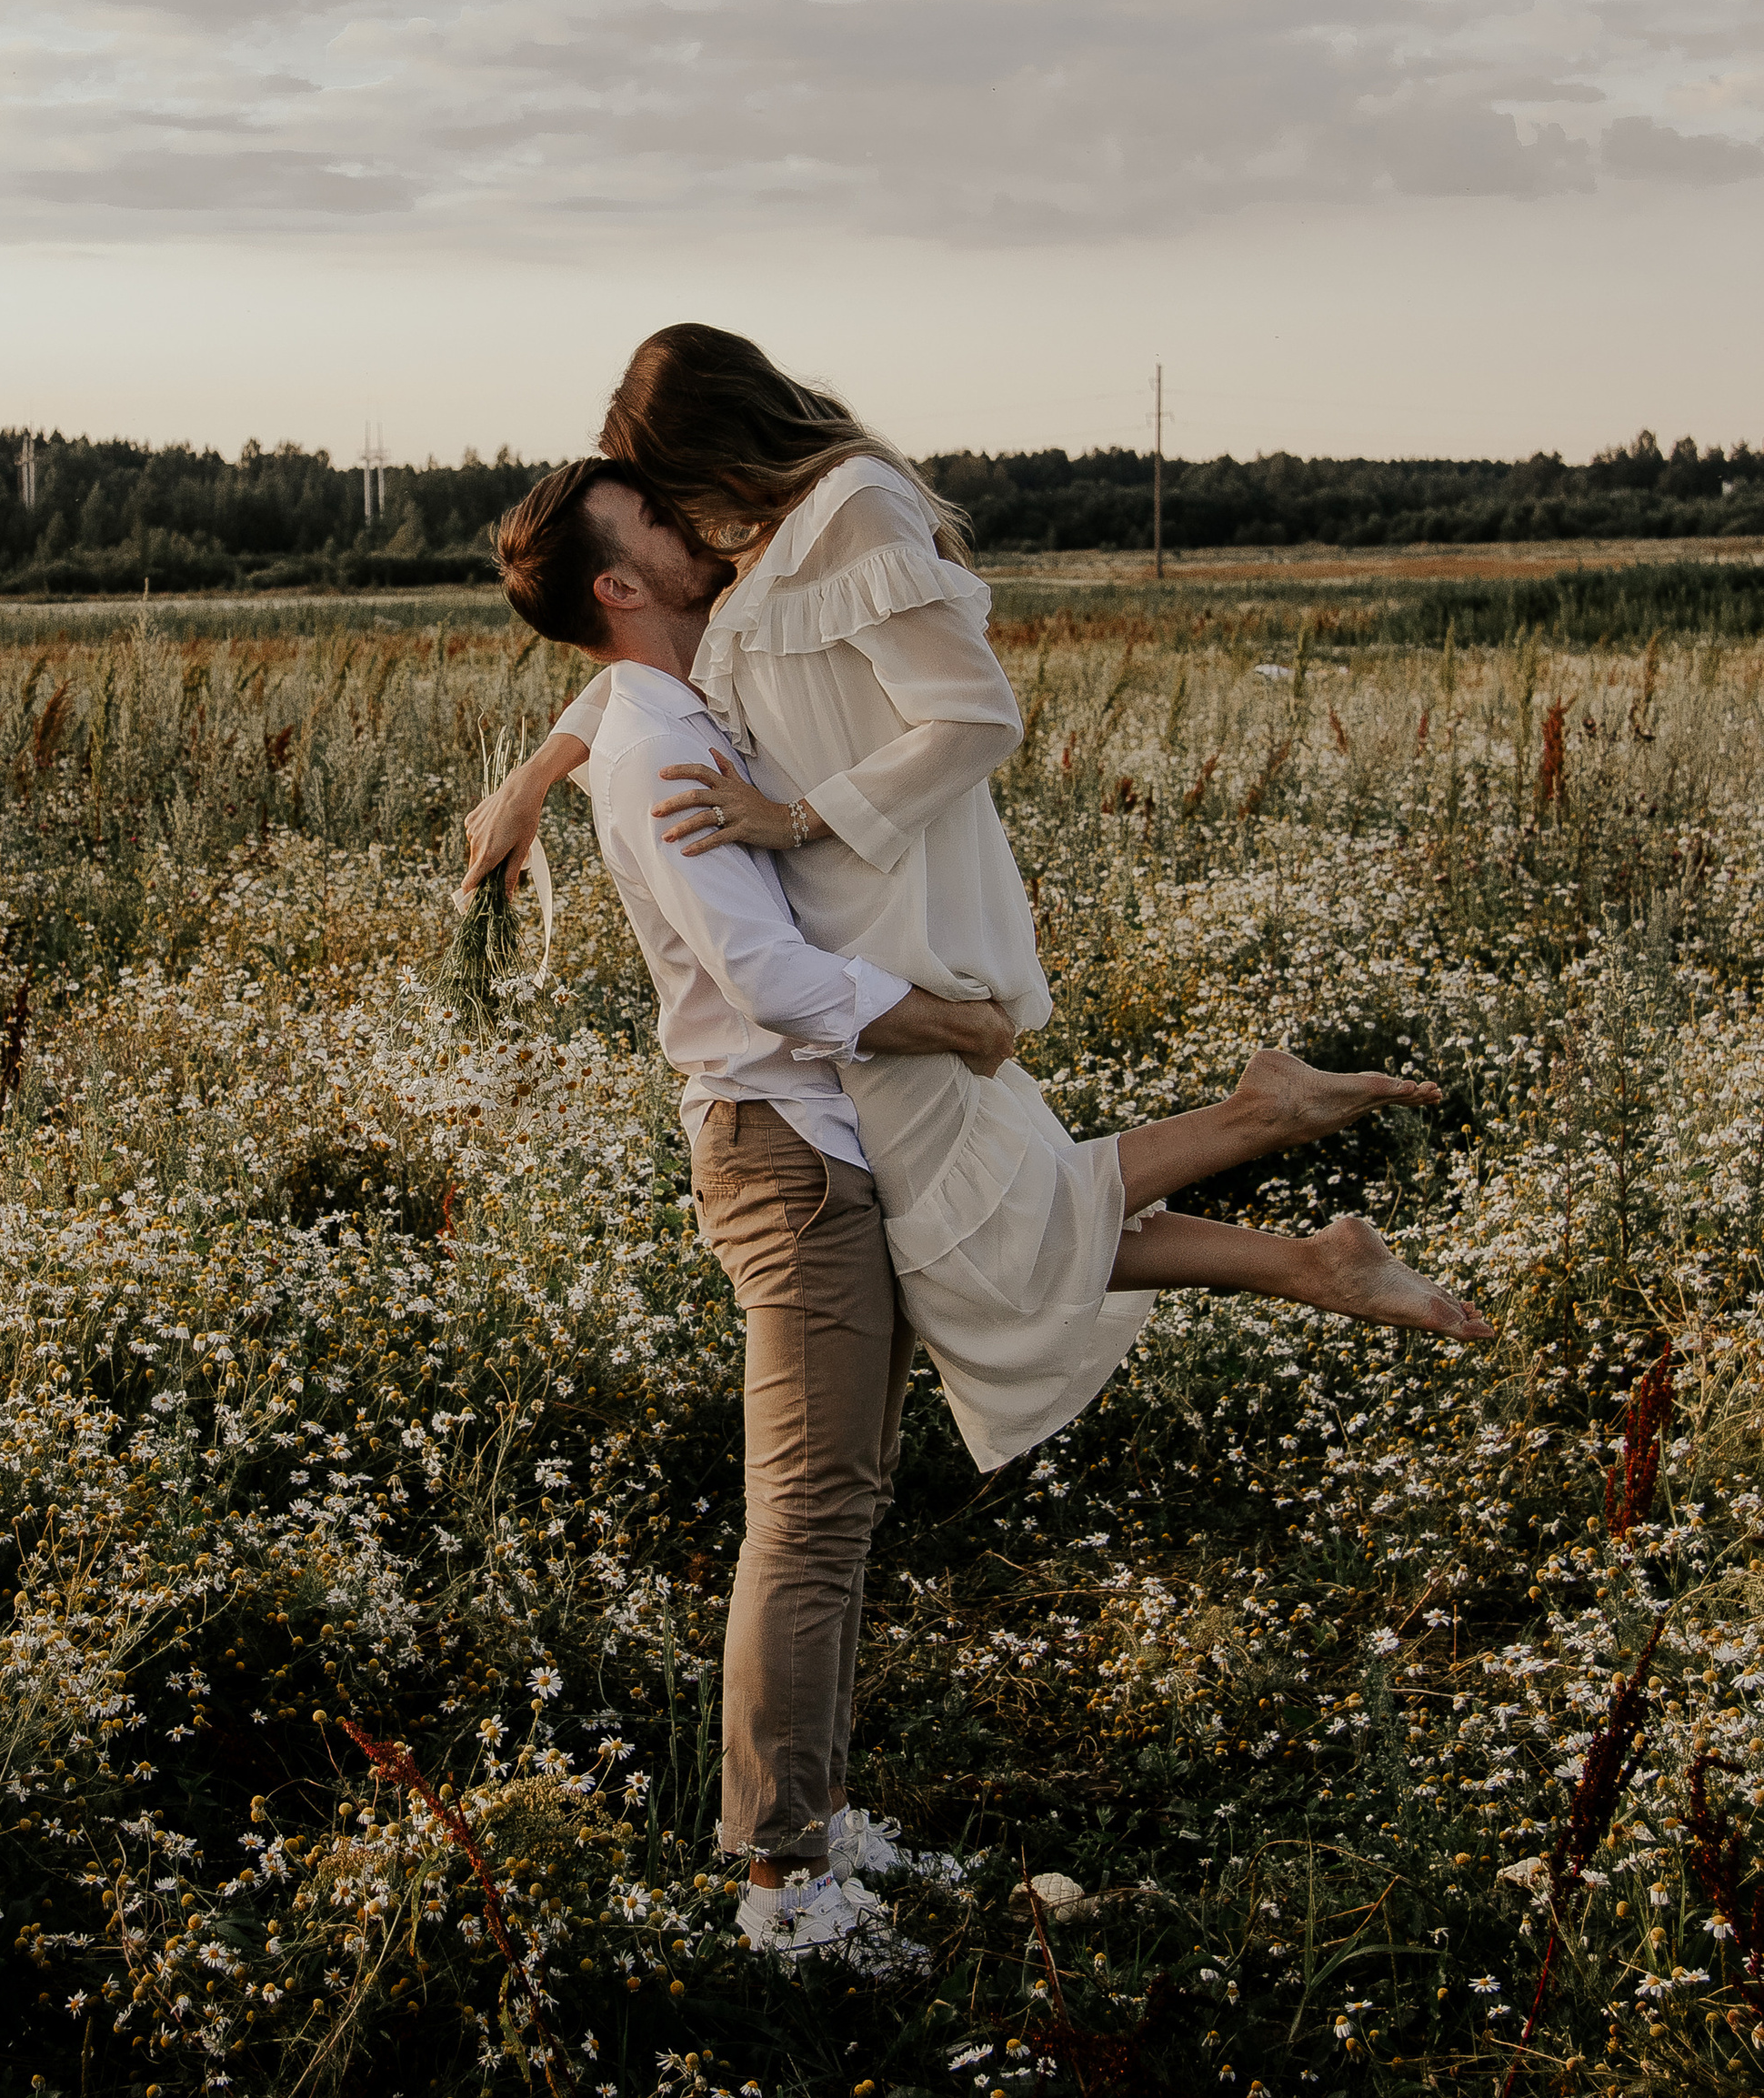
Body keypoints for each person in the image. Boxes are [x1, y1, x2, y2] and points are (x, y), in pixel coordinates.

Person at [471, 326, 1488, 1490]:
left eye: (666, 492)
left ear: (715, 438)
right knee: (991, 1217)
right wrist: (535, 774)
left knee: (973, 1244)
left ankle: (1284, 1190)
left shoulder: (853, 505)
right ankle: (1290, 1195)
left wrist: (798, 819)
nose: (677, 518)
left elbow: (977, 717)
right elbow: (639, 667)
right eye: (657, 511)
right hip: (840, 919)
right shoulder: (766, 547)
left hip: (883, 911)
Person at [489, 455, 1019, 1966]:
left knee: (838, 1502)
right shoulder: (661, 741)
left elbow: (601, 701)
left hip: (809, 1138)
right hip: (780, 1151)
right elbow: (768, 980)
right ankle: (785, 1887)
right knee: (808, 1511)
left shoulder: (670, 694)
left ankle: (816, 1817)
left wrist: (530, 771)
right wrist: (952, 1023)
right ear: (621, 584)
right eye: (660, 521)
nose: (697, 525)